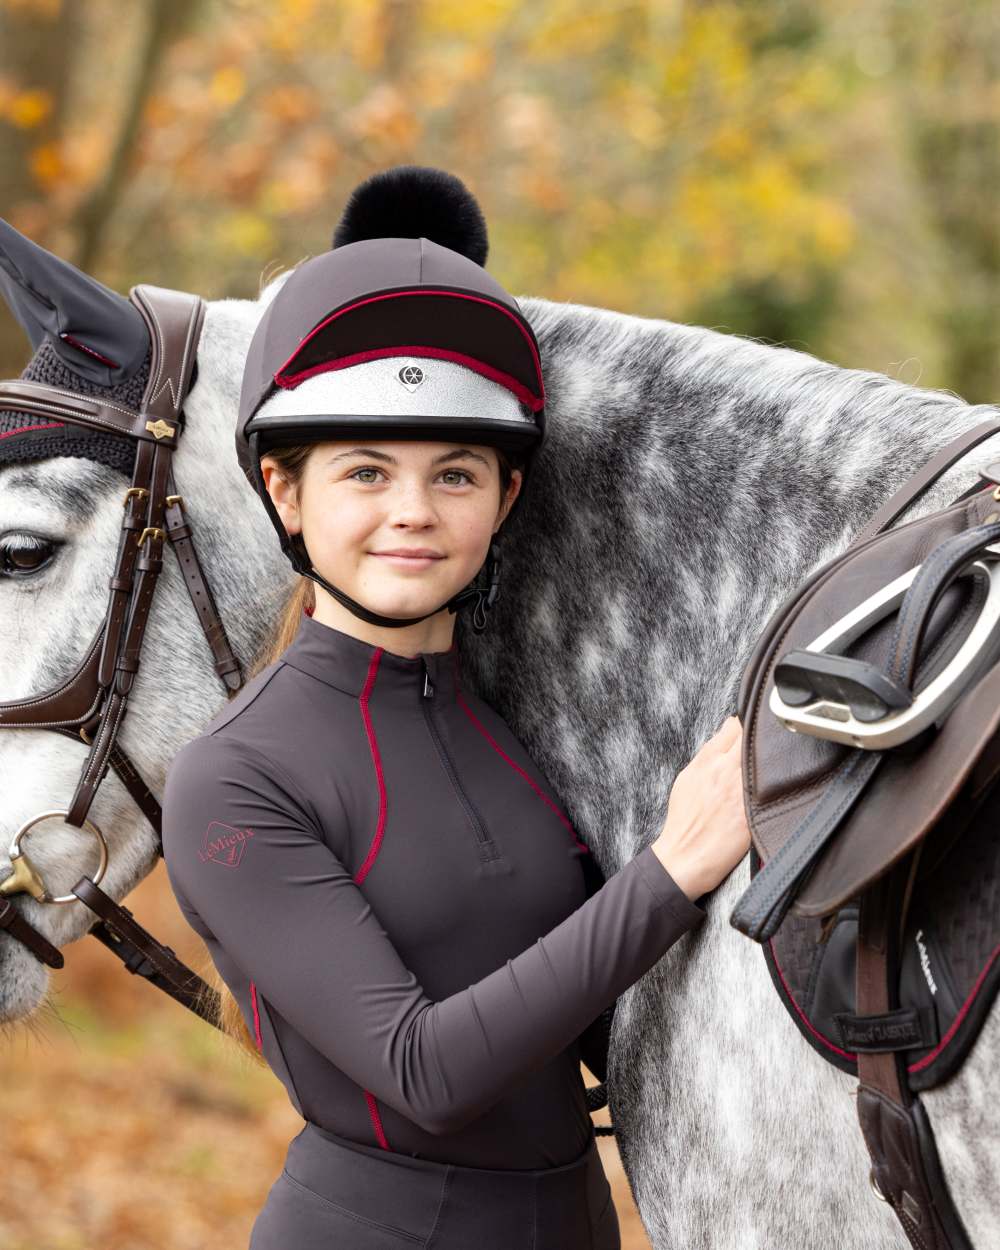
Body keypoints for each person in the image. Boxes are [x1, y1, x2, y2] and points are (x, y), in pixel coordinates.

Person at [160, 166, 752, 1250]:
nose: (413, 514)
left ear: (507, 495)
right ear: (285, 492)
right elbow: (422, 1069)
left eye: (456, 474)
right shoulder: (232, 778)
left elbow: (587, 1015)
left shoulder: (507, 730)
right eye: (366, 472)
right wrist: (673, 868)